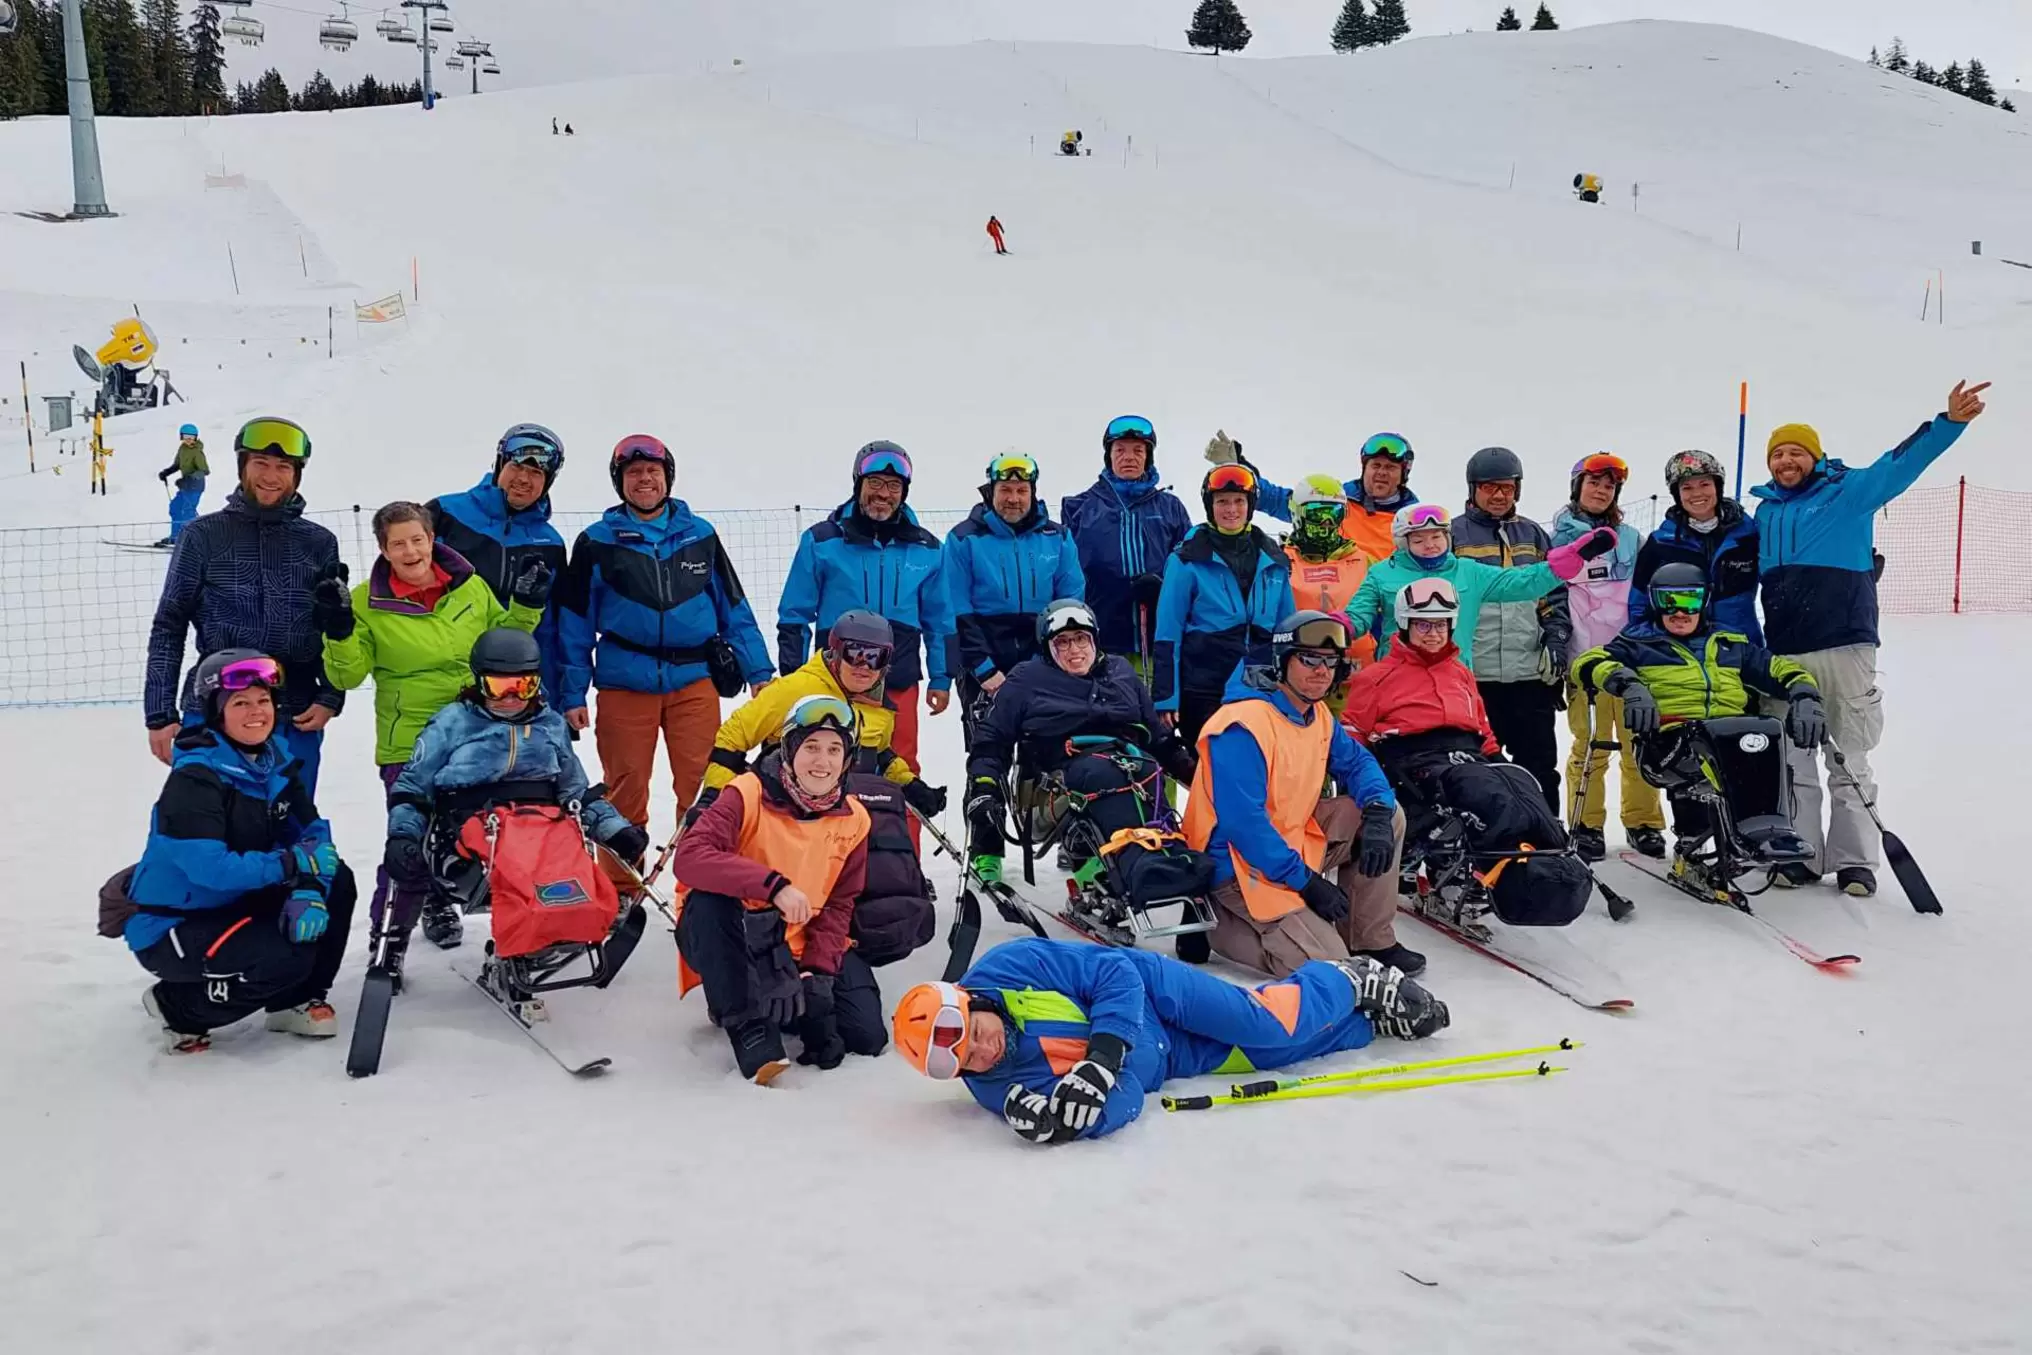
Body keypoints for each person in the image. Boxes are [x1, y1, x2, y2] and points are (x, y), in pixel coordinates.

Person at [1749, 380, 1990, 896]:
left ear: (1814, 456)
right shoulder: (1765, 512)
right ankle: (1801, 854)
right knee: (1793, 759)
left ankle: (1856, 861)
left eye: (1796, 452)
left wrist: (1948, 423)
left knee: (1847, 755)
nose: (1786, 462)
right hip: (1785, 652)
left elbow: (1899, 464)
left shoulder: (1847, 491)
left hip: (1844, 645)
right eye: (1778, 454)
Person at [890, 940, 1448, 1143]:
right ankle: (1366, 1021)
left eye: (975, 1036)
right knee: (1281, 1053)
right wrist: (1076, 1120)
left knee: (1264, 1024)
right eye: (964, 1062)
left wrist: (1100, 1061)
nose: (981, 1054)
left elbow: (1113, 974)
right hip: (1161, 1057)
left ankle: (1348, 978)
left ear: (971, 1002)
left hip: (1154, 993)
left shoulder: (1008, 967)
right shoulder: (997, 1089)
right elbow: (1126, 1098)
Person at [319, 501, 547, 951]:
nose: (410, 551)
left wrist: (526, 605)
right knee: (411, 843)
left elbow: (502, 639)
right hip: (412, 740)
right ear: (383, 549)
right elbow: (347, 676)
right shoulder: (368, 602)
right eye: (397, 543)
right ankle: (391, 943)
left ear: (432, 539)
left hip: (479, 730)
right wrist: (340, 630)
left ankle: (520, 929)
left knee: (503, 831)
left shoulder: (469, 587)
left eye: (417, 539)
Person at [114, 650, 356, 1053]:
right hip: (176, 923)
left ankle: (292, 1002)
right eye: (240, 703)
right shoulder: (196, 778)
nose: (256, 712)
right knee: (284, 959)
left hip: (236, 902)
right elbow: (211, 870)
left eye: (263, 701)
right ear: (216, 714)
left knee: (338, 882)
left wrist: (309, 885)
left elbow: (311, 831)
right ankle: (178, 1008)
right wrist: (290, 863)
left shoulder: (274, 761)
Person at [382, 630, 647, 977]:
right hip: (468, 841)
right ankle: (402, 946)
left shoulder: (549, 724)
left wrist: (616, 831)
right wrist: (403, 835)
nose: (510, 698)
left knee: (570, 864)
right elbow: (413, 787)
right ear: (479, 683)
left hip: (541, 829)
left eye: (523, 686)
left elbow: (576, 793)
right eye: (498, 686)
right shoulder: (453, 722)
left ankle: (560, 932)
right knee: (516, 865)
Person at [557, 434, 774, 841]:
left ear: (667, 478)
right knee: (624, 790)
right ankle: (622, 889)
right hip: (624, 680)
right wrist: (572, 694)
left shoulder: (700, 535)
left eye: (652, 472)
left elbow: (734, 609)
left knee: (703, 786)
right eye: (633, 472)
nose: (644, 480)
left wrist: (759, 670)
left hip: (693, 679)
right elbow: (575, 623)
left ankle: (697, 890)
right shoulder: (596, 542)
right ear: (619, 481)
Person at [1343, 581, 1594, 927]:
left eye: (1441, 624)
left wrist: (1498, 759)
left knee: (1521, 781)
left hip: (1466, 753)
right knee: (1479, 790)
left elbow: (1481, 727)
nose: (1433, 634)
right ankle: (1483, 868)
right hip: (1411, 758)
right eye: (1423, 625)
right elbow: (1353, 732)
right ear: (1405, 625)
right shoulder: (1377, 677)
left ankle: (1549, 861)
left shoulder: (1460, 672)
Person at [1183, 611, 1417, 975]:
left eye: (1329, 662)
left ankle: (1367, 937)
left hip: (1291, 843)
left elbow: (1358, 763)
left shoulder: (1316, 714)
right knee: (1333, 969)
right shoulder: (1241, 725)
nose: (1321, 671)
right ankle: (1218, 924)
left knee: (1389, 814)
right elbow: (1244, 827)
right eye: (1308, 659)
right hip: (1239, 864)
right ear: (1281, 662)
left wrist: (1375, 812)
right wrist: (1307, 884)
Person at [673, 696, 884, 1085]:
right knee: (708, 899)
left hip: (799, 941)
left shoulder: (855, 819)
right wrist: (773, 886)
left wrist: (818, 973)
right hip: (737, 933)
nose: (822, 761)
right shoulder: (747, 793)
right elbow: (689, 857)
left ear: (847, 759)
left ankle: (788, 994)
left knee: (865, 1037)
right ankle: (745, 1020)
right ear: (789, 749)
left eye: (835, 749)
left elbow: (840, 903)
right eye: (811, 747)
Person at [1572, 563, 1826, 877]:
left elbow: (1780, 669)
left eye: (1689, 601)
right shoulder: (1639, 643)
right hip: (1667, 746)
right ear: (1655, 603)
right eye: (1668, 602)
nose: (1679, 612)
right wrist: (1630, 685)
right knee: (1708, 740)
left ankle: (1769, 828)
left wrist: (1805, 696)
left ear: (1704, 602)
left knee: (1765, 734)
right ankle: (1694, 835)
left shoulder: (1729, 643)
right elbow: (1588, 661)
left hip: (1729, 738)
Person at [143, 417, 345, 794]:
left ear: (297, 475)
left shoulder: (318, 543)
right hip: (214, 711)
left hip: (294, 714)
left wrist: (331, 695)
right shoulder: (202, 536)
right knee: (203, 829)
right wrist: (159, 712)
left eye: (283, 467)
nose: (271, 476)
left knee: (291, 830)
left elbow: (334, 628)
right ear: (242, 467)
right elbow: (170, 623)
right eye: (260, 464)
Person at [964, 599, 1197, 884]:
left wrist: (1191, 771)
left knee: (1148, 770)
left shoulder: (1121, 671)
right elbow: (992, 739)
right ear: (1047, 647)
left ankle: (1169, 853)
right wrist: (985, 787)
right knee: (1105, 774)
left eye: (1081, 639)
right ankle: (1132, 867)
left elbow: (1157, 736)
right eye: (1062, 642)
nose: (1074, 650)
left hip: (1126, 761)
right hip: (1053, 782)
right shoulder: (1027, 680)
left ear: (1095, 639)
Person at [777, 440, 953, 771]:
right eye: (874, 483)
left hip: (897, 676)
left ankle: (898, 824)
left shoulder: (928, 548)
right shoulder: (822, 541)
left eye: (893, 486)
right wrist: (792, 677)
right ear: (858, 483)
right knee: (832, 763)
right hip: (834, 677)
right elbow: (794, 615)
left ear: (904, 492)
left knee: (900, 765)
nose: (883, 493)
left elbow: (940, 621)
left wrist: (942, 678)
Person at [1550, 454, 1665, 861]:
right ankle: (1586, 823)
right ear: (1578, 486)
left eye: (1609, 485)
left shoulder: (1632, 538)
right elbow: (1551, 596)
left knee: (1640, 740)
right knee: (1591, 744)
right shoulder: (1560, 539)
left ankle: (1643, 821)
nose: (1601, 490)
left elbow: (1650, 591)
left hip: (1633, 657)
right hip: (1587, 660)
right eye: (1593, 482)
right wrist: (1557, 646)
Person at [1448, 447, 1571, 818]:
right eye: (1490, 487)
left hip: (1527, 674)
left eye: (1507, 487)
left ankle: (1548, 838)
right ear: (1473, 489)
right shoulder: (1454, 533)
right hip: (1475, 675)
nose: (1499, 495)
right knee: (1478, 768)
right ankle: (1481, 842)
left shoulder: (1532, 534)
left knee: (1539, 767)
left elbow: (1553, 592)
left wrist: (1556, 637)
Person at [943, 452, 1085, 742]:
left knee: (1045, 747)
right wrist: (983, 669)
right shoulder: (963, 539)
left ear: (1033, 493)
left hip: (1042, 654)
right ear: (990, 492)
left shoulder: (1057, 537)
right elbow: (954, 608)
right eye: (1005, 490)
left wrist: (1046, 660)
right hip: (984, 657)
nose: (1014, 499)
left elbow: (1070, 602)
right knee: (988, 749)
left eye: (1022, 491)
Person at [426, 423, 571, 705]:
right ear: (500, 465)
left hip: (513, 684)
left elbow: (551, 627)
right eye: (516, 466)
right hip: (446, 672)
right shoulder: (445, 513)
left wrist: (557, 700)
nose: (524, 479)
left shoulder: (549, 543)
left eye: (536, 472)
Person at [1152, 463, 1295, 746]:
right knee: (1216, 765)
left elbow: (1288, 632)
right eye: (1222, 502)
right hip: (1204, 686)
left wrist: (1292, 692)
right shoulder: (1187, 560)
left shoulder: (1274, 561)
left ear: (1250, 505)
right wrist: (1167, 698)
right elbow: (1168, 632)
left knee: (1261, 768)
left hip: (1259, 685)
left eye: (1239, 501)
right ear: (1210, 506)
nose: (1231, 509)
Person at [1059, 415, 1194, 679]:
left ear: (1148, 457)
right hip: (1101, 639)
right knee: (1109, 715)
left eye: (1138, 450)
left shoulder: (1170, 507)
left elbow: (1190, 567)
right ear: (1109, 456)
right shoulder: (1081, 508)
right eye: (1120, 450)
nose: (1129, 457)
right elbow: (1065, 573)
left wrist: (1162, 586)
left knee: (1155, 714)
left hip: (1158, 637)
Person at [1210, 429, 1419, 563]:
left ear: (1403, 474)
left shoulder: (1412, 521)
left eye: (1390, 467)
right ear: (1365, 468)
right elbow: (1276, 500)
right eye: (1376, 465)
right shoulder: (1335, 500)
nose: (1381, 472)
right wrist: (1236, 468)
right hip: (1326, 597)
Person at [1629, 450, 1763, 643]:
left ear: (1718, 487)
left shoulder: (1747, 536)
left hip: (1740, 647)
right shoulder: (1660, 543)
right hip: (1683, 653)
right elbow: (1638, 605)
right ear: (1677, 494)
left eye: (1705, 484)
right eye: (1687, 488)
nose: (1697, 493)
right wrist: (1650, 647)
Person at [1276, 474, 1377, 708]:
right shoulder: (1280, 560)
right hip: (1299, 684)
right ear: (1297, 515)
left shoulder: (1363, 560)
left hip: (1357, 684)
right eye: (1316, 514)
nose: (1326, 523)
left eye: (1335, 514)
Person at [153, 423, 208, 548]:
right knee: (175, 507)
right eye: (186, 436)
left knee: (188, 511)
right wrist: (167, 472)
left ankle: (190, 539)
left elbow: (204, 470)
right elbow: (177, 464)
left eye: (191, 437)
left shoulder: (197, 452)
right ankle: (176, 536)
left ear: (195, 437)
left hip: (195, 487)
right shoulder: (182, 449)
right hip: (185, 486)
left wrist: (188, 478)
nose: (188, 439)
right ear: (181, 437)